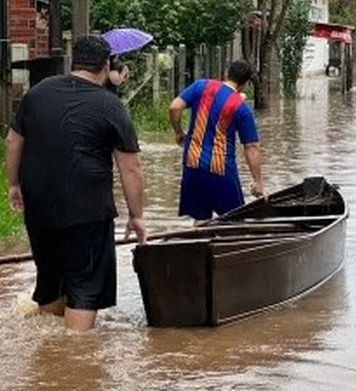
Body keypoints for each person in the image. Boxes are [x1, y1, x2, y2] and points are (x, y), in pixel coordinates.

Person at [5, 36, 147, 332]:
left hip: (40, 206)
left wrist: (13, 184)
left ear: (74, 61)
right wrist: (137, 215)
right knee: (85, 287)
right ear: (106, 65)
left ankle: (50, 353)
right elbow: (130, 168)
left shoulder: (38, 93)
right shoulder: (111, 105)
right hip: (88, 210)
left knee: (51, 281)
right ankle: (73, 363)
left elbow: (13, 141)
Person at [169, 60, 264, 223]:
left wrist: (178, 132)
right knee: (234, 221)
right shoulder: (242, 108)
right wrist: (258, 181)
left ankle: (198, 247)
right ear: (245, 84)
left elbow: (174, 107)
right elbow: (251, 147)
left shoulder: (201, 86)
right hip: (221, 170)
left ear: (226, 73)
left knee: (200, 221)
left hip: (193, 165)